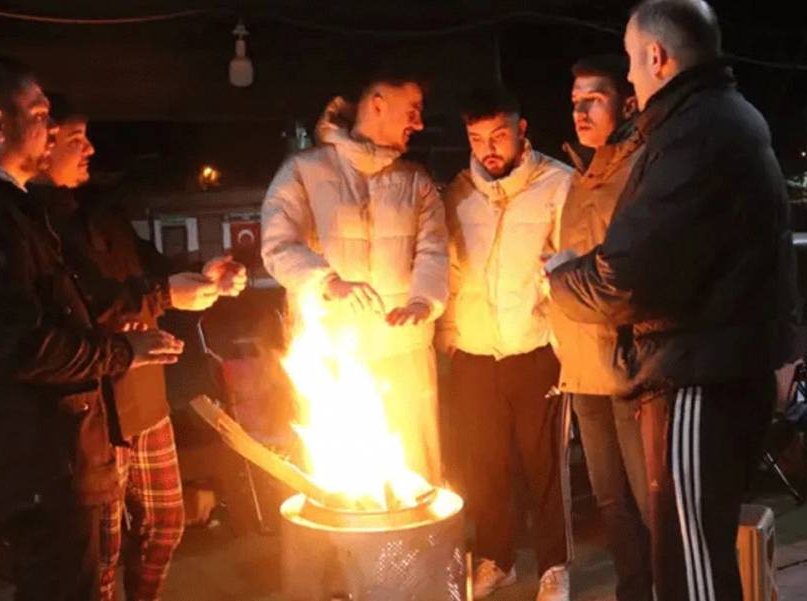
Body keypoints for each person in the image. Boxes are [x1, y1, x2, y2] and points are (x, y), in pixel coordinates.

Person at [0, 55, 183, 601]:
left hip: (51, 459)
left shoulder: (1, 207)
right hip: (40, 465)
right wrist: (124, 350)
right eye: (40, 113)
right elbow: (22, 346)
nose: (49, 129)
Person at [546, 1, 801, 599]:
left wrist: (560, 276)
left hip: (697, 376)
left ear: (657, 57)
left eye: (633, 64)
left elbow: (627, 278)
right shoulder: (718, 119)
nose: (632, 80)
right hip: (715, 365)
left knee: (689, 561)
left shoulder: (694, 134)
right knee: (693, 554)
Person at [28, 95, 247, 601]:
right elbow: (82, 306)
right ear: (45, 143)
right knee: (100, 556)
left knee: (166, 524)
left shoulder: (100, 210)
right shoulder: (34, 224)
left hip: (145, 398)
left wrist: (201, 274)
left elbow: (147, 271)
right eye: (76, 138)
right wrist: (165, 294)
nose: (91, 148)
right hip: (95, 414)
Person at [260, 68, 448, 483]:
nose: (418, 122)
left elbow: (434, 252)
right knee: (347, 484)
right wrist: (328, 282)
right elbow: (277, 247)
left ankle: (421, 549)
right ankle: (346, 552)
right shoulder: (303, 172)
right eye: (412, 111)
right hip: (334, 359)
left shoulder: (415, 181)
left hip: (404, 357)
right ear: (378, 103)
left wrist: (424, 302)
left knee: (414, 478)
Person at [438, 85, 573, 601]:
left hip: (536, 349)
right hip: (474, 352)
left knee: (545, 465)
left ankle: (554, 566)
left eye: (497, 136)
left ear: (521, 131)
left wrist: (562, 340)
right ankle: (496, 558)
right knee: (484, 463)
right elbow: (447, 269)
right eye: (476, 138)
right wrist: (449, 336)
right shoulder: (458, 193)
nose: (487, 148)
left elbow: (573, 262)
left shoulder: (558, 184)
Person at [553, 54, 653, 601]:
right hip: (582, 363)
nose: (581, 111)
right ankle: (632, 591)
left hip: (628, 361)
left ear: (628, 102)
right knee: (610, 500)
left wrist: (567, 273)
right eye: (574, 102)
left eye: (594, 98)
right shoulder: (582, 174)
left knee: (649, 498)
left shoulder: (641, 170)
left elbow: (630, 270)